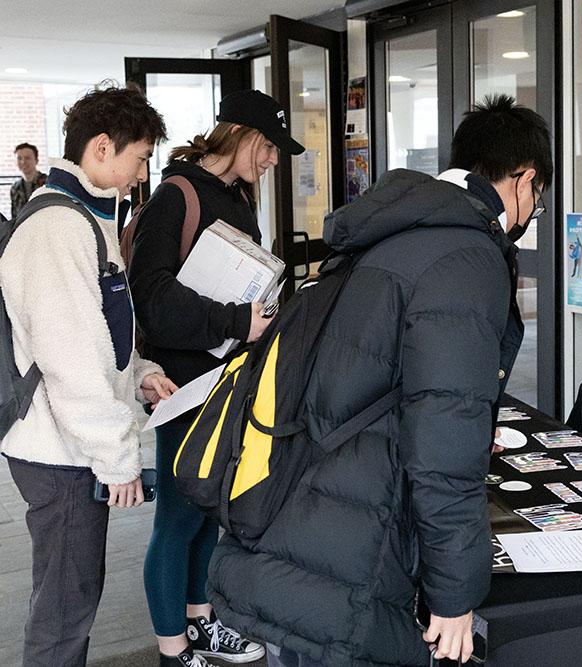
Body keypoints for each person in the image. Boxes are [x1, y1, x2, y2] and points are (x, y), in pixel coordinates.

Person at [206, 94, 552, 667]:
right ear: (524, 179)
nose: (531, 211)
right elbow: (443, 442)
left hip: (295, 516)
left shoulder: (386, 230)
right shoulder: (466, 256)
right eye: (536, 198)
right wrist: (454, 594)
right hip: (355, 546)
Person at [0, 84, 177, 667]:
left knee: (69, 599)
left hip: (69, 444)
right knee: (63, 611)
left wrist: (142, 372)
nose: (142, 172)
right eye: (142, 156)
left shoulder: (86, 217)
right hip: (61, 454)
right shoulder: (59, 228)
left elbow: (101, 336)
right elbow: (71, 361)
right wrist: (118, 456)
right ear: (103, 147)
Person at [128, 89, 303, 667]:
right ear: (244, 136)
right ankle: (172, 648)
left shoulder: (238, 198)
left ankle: (201, 623)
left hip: (229, 380)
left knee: (210, 510)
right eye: (272, 147)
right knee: (177, 516)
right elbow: (150, 301)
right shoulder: (173, 197)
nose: (275, 160)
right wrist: (234, 320)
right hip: (180, 388)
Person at [10, 142, 48, 220]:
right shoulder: (15, 188)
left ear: (36, 160)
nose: (23, 162)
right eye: (19, 158)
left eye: (27, 158)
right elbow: (14, 217)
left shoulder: (48, 183)